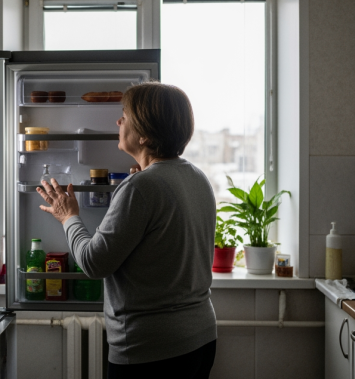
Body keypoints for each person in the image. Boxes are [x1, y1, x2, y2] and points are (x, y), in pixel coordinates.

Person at [36, 82, 218, 379]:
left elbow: (94, 263)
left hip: (150, 348)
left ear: (144, 135)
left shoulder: (141, 187)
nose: (118, 121)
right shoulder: (197, 178)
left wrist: (67, 216)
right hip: (200, 338)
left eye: (125, 115)